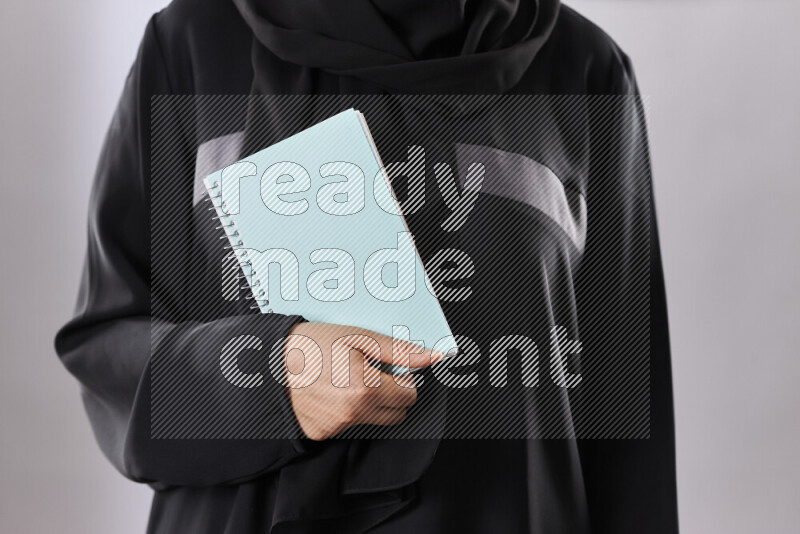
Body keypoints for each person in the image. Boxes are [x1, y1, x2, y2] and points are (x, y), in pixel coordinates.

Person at [55, 0, 679, 532]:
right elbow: (108, 351)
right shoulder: (195, 42)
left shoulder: (585, 69)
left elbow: (625, 422)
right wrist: (270, 380)